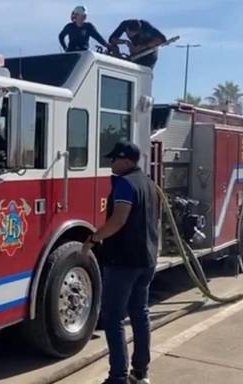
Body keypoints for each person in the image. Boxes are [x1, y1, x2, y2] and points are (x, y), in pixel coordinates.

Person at [82, 141, 159, 384]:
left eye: (114, 159)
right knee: (140, 313)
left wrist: (93, 238)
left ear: (126, 160)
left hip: (123, 261)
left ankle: (117, 377)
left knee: (113, 317)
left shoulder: (125, 184)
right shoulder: (148, 183)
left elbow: (118, 221)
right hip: (146, 259)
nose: (111, 163)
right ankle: (141, 373)